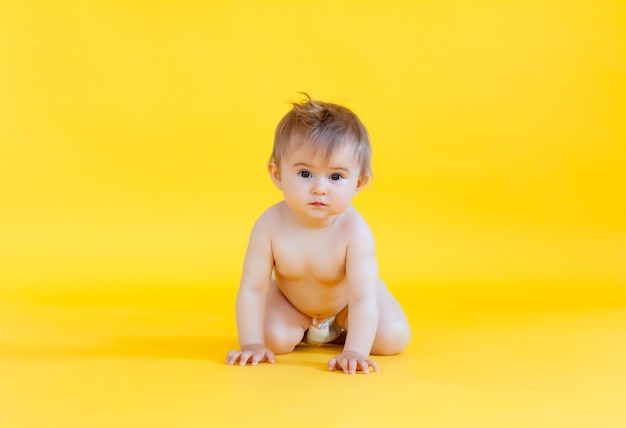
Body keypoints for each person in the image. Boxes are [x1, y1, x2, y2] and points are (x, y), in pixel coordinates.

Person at [225, 94, 411, 374]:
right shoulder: (269, 225)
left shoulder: (354, 231)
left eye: (335, 177)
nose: (320, 188)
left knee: (394, 337)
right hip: (295, 304)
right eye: (304, 174)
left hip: (350, 304)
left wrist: (355, 351)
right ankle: (307, 329)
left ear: (358, 182)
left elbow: (361, 298)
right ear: (277, 174)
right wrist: (250, 343)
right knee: (272, 340)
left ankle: (345, 332)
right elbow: (253, 288)